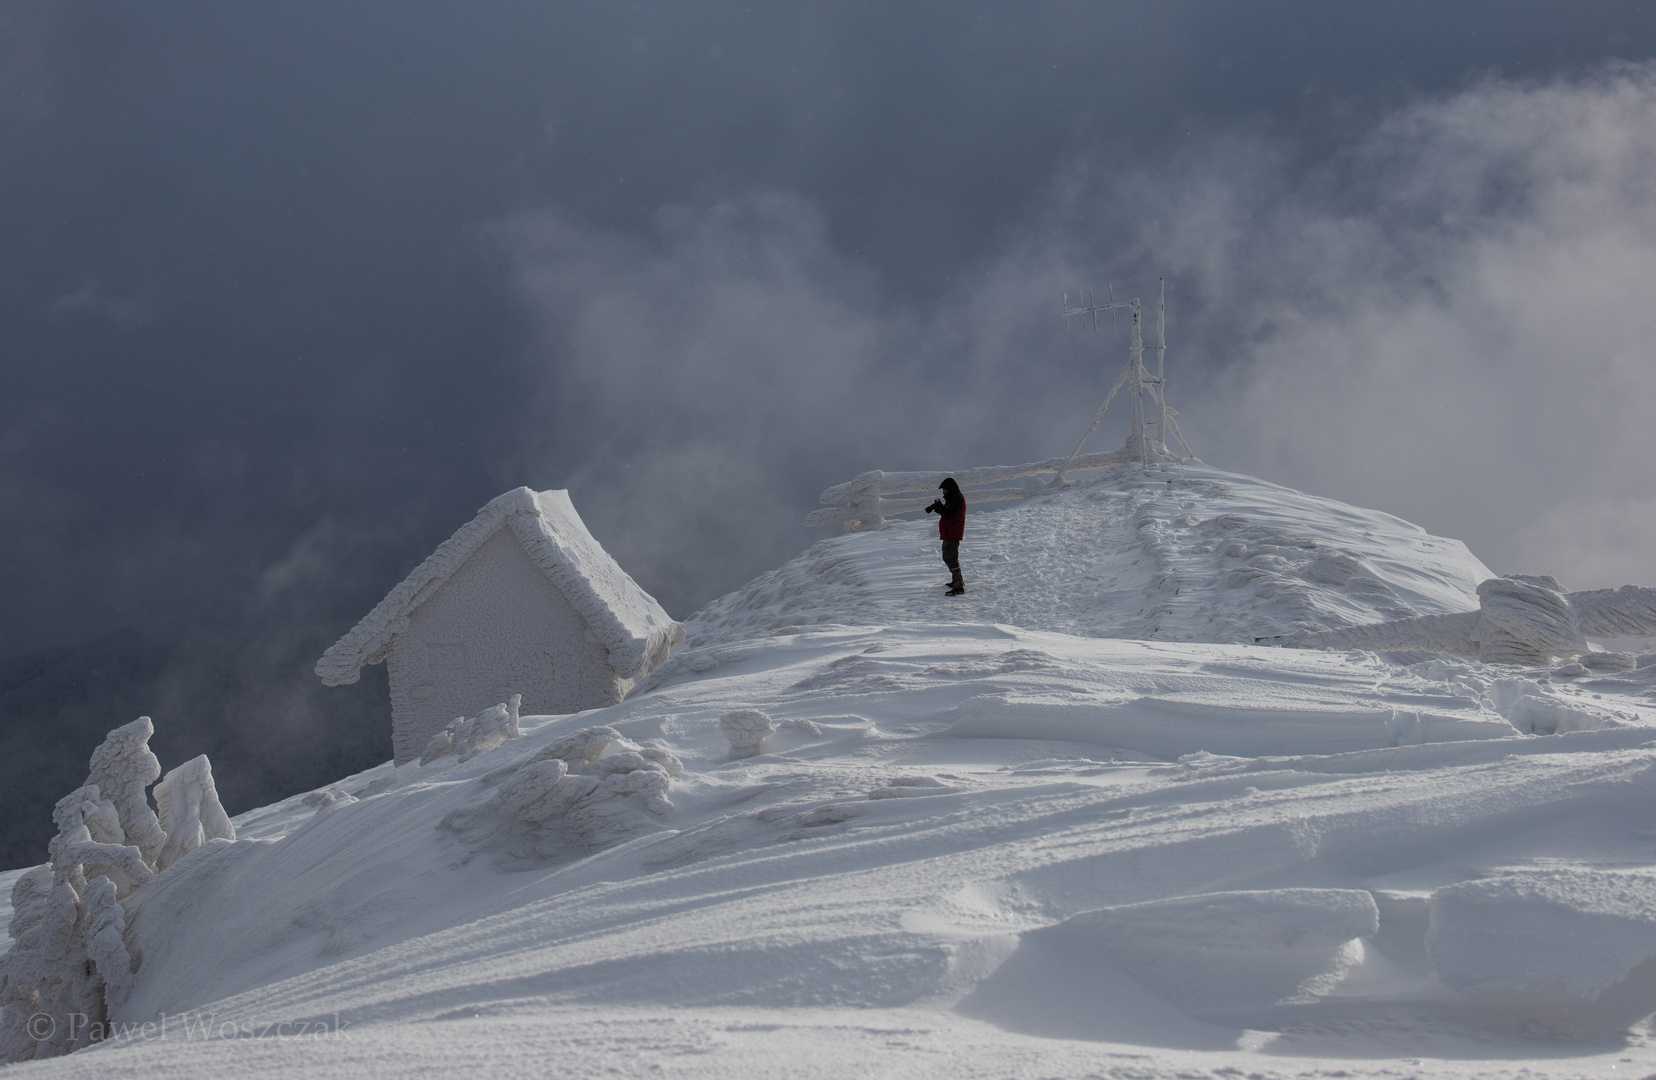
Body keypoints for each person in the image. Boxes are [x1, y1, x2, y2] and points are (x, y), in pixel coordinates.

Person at [925, 477, 966, 596]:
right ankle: (956, 581)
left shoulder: (956, 499)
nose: (943, 492)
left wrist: (939, 509)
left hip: (953, 533)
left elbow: (950, 514)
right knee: (948, 556)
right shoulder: (954, 498)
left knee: (951, 558)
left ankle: (959, 585)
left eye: (944, 489)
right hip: (950, 532)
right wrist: (941, 508)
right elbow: (949, 511)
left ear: (949, 489)